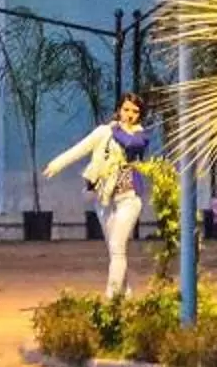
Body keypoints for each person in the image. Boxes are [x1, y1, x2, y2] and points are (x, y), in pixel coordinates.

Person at [44, 93, 153, 298]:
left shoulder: (141, 135)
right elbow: (80, 149)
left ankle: (111, 299)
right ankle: (125, 293)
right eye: (126, 109)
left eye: (135, 111)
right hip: (104, 197)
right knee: (114, 251)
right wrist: (57, 164)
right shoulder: (104, 132)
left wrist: (115, 129)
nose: (130, 115)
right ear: (119, 109)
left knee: (118, 246)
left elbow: (130, 144)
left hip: (129, 198)